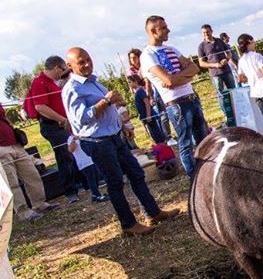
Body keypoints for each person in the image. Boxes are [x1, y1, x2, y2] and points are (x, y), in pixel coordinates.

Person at [62, 47, 179, 236]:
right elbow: (80, 119)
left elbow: (108, 110)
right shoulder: (72, 89)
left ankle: (153, 213)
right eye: (81, 62)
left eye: (88, 59)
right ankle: (128, 225)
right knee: (115, 183)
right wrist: (105, 102)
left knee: (136, 174)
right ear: (70, 66)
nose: (86, 64)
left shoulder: (94, 82)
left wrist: (120, 124)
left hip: (115, 137)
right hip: (98, 142)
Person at [141, 15, 208, 177]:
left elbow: (195, 68)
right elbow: (168, 80)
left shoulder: (172, 49)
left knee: (204, 141)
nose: (168, 30)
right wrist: (182, 76)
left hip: (192, 98)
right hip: (177, 104)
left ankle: (207, 174)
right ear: (152, 31)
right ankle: (195, 179)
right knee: (185, 143)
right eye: (163, 28)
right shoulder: (147, 55)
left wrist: (177, 78)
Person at [29, 55, 81, 203]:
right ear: (57, 67)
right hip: (52, 126)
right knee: (64, 154)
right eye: (63, 69)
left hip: (62, 124)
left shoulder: (52, 83)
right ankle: (70, 190)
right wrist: (62, 119)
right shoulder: (39, 83)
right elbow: (40, 107)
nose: (63, 72)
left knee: (71, 153)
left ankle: (80, 183)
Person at [0, 104, 60, 221]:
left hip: (15, 144)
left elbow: (5, 117)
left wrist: (14, 132)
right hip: (1, 149)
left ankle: (39, 204)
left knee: (32, 175)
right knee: (12, 182)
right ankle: (23, 212)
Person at [128, 48, 174, 144]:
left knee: (161, 114)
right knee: (154, 121)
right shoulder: (130, 70)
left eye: (134, 58)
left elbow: (147, 81)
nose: (133, 60)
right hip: (141, 95)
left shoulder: (145, 66)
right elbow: (132, 84)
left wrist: (150, 96)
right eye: (131, 58)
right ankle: (161, 140)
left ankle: (167, 137)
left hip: (152, 92)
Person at [197, 24, 236, 119]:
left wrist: (226, 59)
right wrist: (214, 65)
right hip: (215, 74)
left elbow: (229, 53)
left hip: (227, 71)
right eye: (204, 33)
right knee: (221, 95)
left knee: (233, 91)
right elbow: (201, 63)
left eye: (207, 32)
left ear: (211, 31)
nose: (206, 34)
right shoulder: (201, 46)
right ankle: (228, 116)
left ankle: (237, 110)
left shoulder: (219, 41)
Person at [67, 134, 108, 202]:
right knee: (91, 179)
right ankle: (97, 195)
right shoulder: (70, 139)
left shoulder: (84, 134)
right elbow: (70, 150)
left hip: (92, 160)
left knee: (97, 178)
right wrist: (74, 140)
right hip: (84, 163)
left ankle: (95, 194)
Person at [126, 75, 166, 145]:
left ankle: (163, 148)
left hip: (149, 116)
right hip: (145, 117)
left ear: (135, 81)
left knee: (156, 133)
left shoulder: (140, 91)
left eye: (130, 82)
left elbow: (147, 103)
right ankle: (160, 148)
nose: (129, 84)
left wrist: (148, 115)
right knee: (153, 133)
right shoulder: (137, 92)